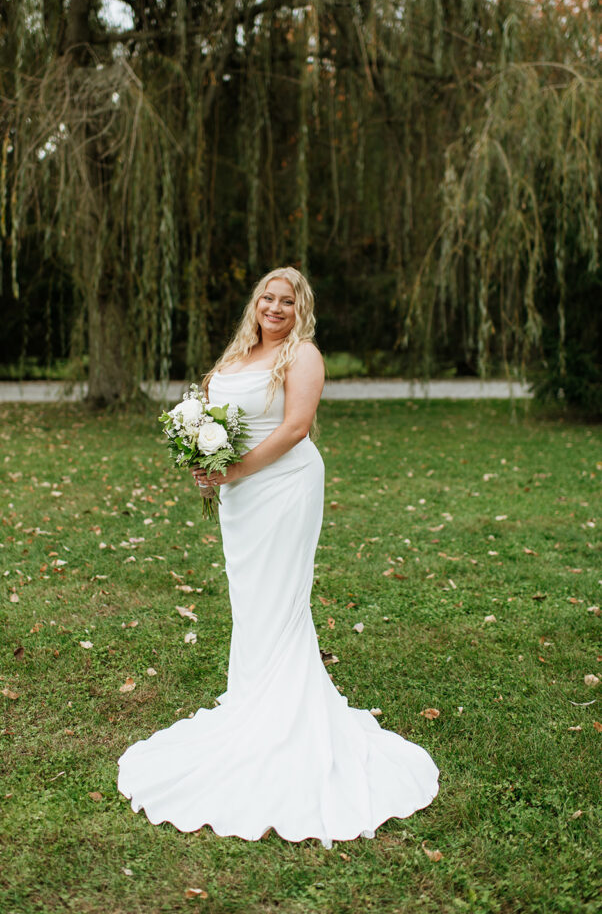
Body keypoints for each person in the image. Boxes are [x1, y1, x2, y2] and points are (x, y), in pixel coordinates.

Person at [117, 267, 439, 847]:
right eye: (267, 297)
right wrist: (206, 459)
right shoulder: (236, 355)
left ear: (300, 308)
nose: (274, 307)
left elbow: (295, 428)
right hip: (241, 498)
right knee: (251, 600)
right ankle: (250, 700)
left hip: (285, 487)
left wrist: (234, 468)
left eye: (286, 300)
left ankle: (281, 717)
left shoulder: (303, 355)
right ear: (255, 303)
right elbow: (219, 418)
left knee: (280, 600)